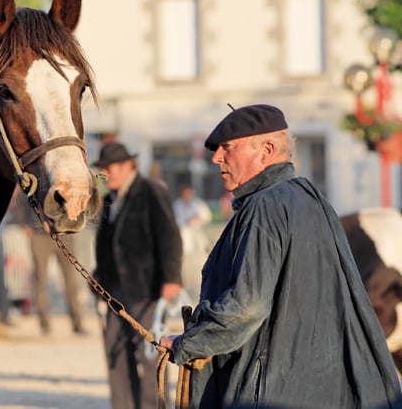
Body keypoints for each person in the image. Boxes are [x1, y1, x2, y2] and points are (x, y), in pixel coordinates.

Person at [160, 104, 402, 408]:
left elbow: (248, 307)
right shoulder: (311, 197)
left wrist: (189, 344)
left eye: (228, 147)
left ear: (267, 149)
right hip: (321, 386)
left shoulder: (265, 206)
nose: (216, 157)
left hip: (274, 389)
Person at [92, 141, 183, 409]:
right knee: (115, 355)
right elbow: (104, 247)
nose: (111, 173)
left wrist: (172, 278)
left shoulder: (151, 190)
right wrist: (98, 281)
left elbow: (169, 236)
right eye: (106, 169)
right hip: (114, 293)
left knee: (147, 356)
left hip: (147, 289)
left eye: (116, 167)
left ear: (130, 165)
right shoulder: (108, 199)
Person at [172, 185, 212, 300]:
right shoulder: (177, 205)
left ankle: (199, 287)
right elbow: (176, 220)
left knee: (200, 262)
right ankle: (184, 289)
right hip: (184, 238)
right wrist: (187, 221)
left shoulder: (197, 203)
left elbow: (206, 216)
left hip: (197, 238)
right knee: (185, 265)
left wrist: (196, 219)